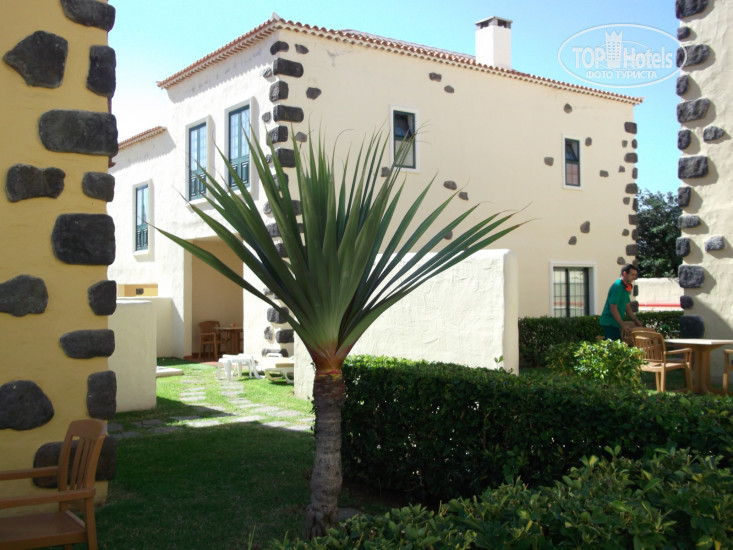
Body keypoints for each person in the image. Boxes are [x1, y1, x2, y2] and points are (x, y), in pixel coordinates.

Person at [600, 264, 642, 341]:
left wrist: (636, 320)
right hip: (610, 323)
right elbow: (613, 308)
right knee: (614, 347)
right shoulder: (617, 287)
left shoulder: (625, 287)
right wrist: (623, 325)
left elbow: (627, 306)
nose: (634, 277)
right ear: (625, 274)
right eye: (632, 275)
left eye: (635, 275)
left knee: (618, 346)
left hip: (615, 324)